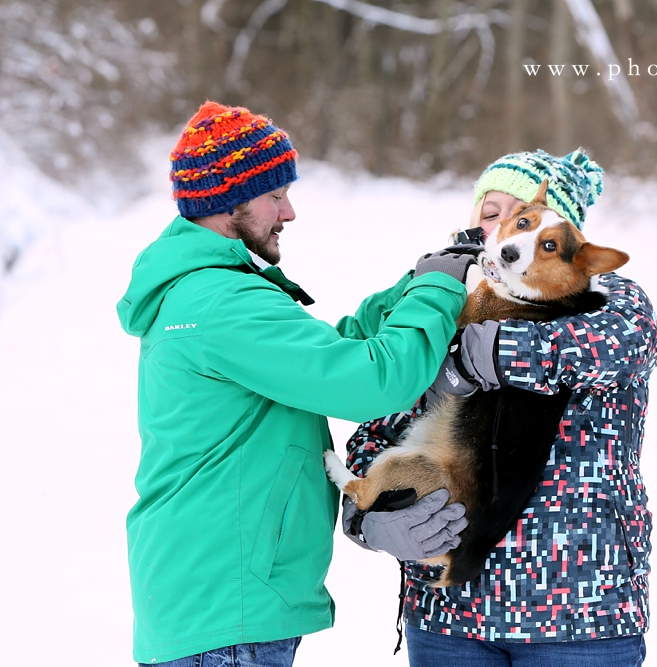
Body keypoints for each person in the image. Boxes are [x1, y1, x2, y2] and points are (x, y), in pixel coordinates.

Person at [115, 100, 475, 667]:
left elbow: (329, 353)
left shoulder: (204, 292)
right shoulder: (221, 301)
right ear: (228, 201)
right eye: (275, 195)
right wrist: (438, 293)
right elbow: (374, 382)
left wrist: (412, 286)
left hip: (214, 600)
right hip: (228, 607)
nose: (290, 211)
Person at [342, 149, 657, 667]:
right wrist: (369, 518)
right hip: (448, 616)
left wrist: (493, 351)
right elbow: (378, 432)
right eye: (491, 211)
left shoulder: (608, 298)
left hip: (577, 613)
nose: (504, 228)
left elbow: (621, 342)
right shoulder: (437, 305)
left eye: (523, 216)